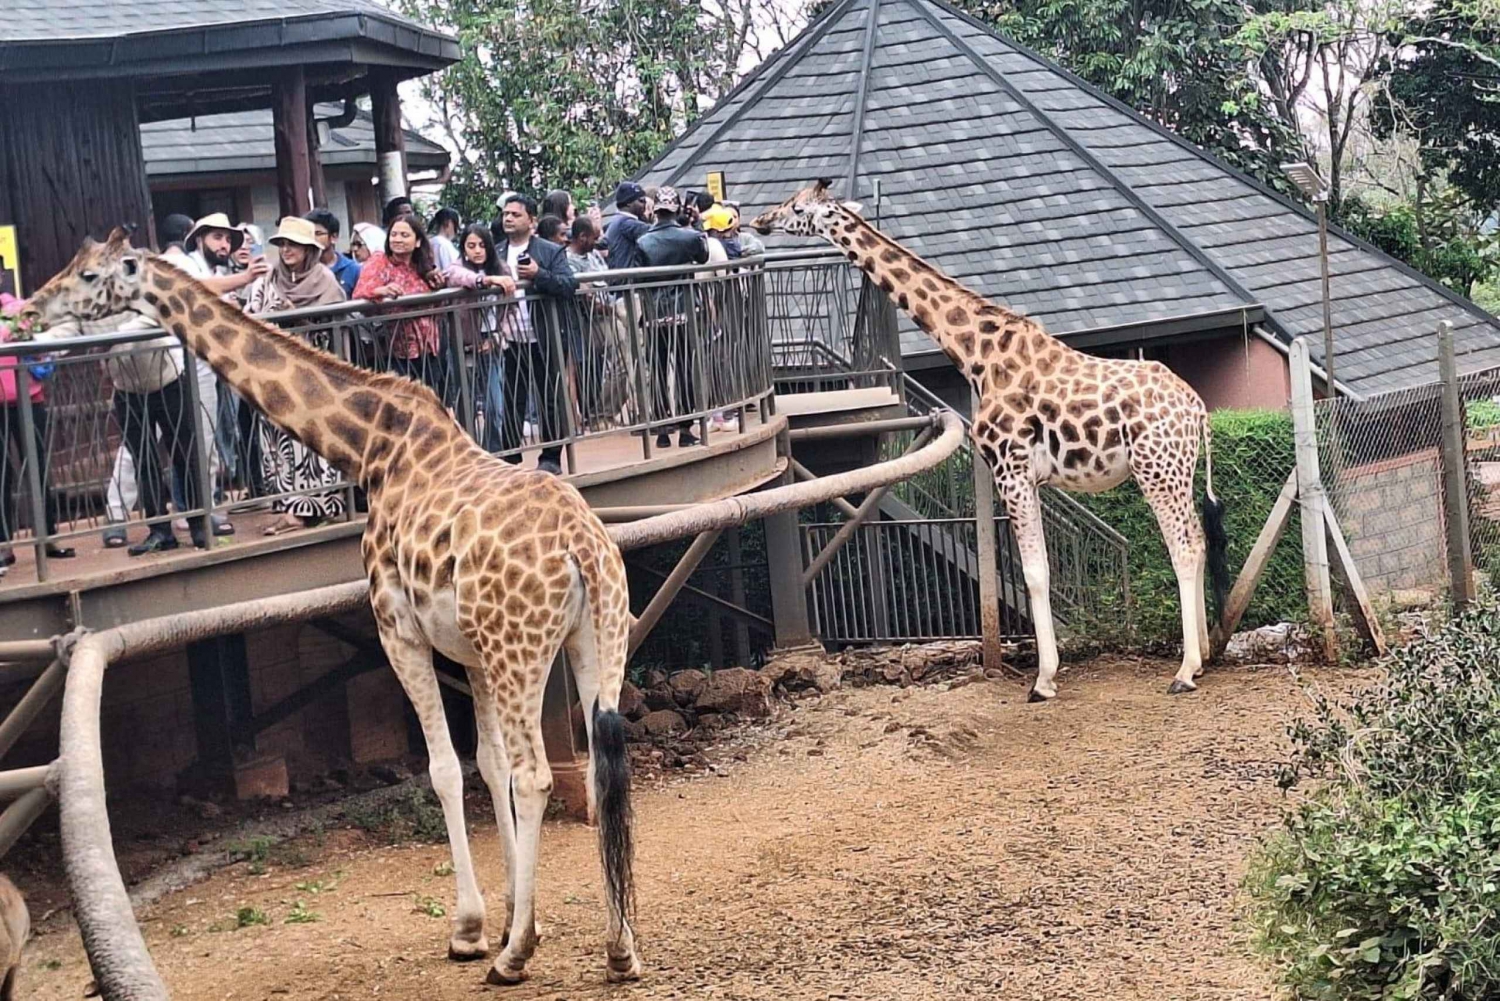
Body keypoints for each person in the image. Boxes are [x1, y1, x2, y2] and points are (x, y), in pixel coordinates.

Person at [240, 217, 350, 536]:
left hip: (312, 376)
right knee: (279, 443)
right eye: (282, 244)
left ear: (308, 249)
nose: (286, 250)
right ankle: (289, 505)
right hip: (274, 376)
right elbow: (251, 317)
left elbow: (334, 325)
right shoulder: (269, 279)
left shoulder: (325, 281)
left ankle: (316, 506)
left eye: (294, 244)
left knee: (312, 441)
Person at [496, 194, 578, 474]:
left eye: (515, 214)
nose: (508, 218)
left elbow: (568, 284)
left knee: (549, 397)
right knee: (511, 398)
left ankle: (551, 456)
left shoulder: (549, 251)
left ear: (532, 221)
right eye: (506, 214)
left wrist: (539, 274)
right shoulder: (495, 253)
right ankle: (509, 456)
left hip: (545, 335)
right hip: (510, 339)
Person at [0, 294, 74, 566]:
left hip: (28, 398)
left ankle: (49, 536)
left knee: (39, 467)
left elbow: (42, 331)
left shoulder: (19, 307)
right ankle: (2, 545)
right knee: (0, 474)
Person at [636, 186, 709, 448]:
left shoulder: (643, 241)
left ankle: (662, 429)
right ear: (677, 208)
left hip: (654, 313)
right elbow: (704, 257)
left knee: (657, 369)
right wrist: (697, 223)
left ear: (655, 211)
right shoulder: (688, 237)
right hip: (683, 311)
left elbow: (637, 275)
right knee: (683, 369)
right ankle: (687, 428)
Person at [352, 213, 450, 401]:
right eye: (394, 234)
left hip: (431, 345)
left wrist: (438, 285)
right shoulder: (381, 260)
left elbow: (438, 303)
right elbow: (361, 291)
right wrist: (383, 290)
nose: (397, 239)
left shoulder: (422, 265)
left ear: (418, 241)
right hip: (400, 349)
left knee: (434, 401)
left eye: (404, 235)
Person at [444, 223, 516, 452]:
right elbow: (456, 275)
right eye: (471, 245)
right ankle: (467, 453)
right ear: (463, 248)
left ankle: (492, 452)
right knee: (465, 405)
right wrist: (486, 281)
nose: (477, 251)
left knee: (495, 405)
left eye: (482, 245)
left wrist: (497, 338)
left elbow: (510, 310)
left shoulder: (502, 269)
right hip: (463, 344)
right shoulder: (457, 268)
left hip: (492, 341)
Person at [305, 208, 362, 296]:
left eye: (318, 233)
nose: (312, 238)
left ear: (333, 237)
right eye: (309, 234)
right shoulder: (302, 269)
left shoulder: (353, 269)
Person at [603, 181, 652, 272]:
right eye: (641, 201)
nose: (645, 205)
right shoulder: (626, 223)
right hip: (627, 282)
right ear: (628, 203)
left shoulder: (617, 220)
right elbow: (657, 233)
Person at [429, 207, 462, 271]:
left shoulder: (432, 241)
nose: (457, 231)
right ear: (448, 223)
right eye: (457, 226)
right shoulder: (442, 243)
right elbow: (451, 271)